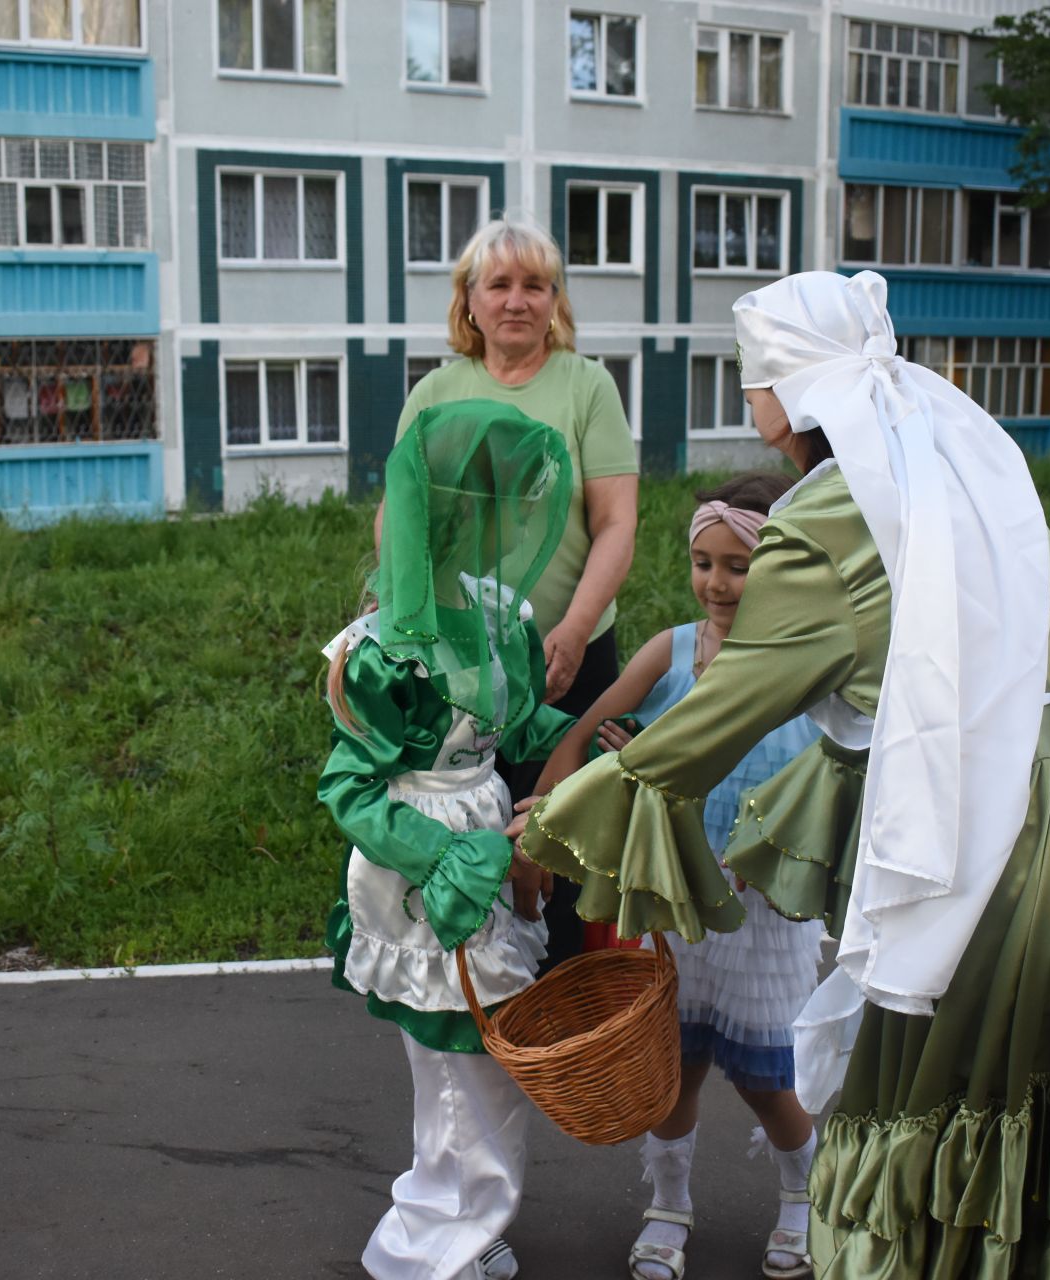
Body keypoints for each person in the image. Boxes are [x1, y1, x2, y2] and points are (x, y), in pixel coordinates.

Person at [518, 271, 1050, 1277]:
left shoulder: (821, 522)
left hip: (996, 856)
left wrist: (549, 825)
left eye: (746, 379)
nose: (746, 405)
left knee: (943, 1150)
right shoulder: (967, 467)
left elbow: (699, 735)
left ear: (781, 389)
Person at [522, 471, 826, 1280]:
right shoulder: (673, 650)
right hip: (676, 902)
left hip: (765, 913)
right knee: (673, 1069)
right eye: (703, 562)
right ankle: (668, 1205)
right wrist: (549, 816)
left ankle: (804, 1194)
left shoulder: (807, 662)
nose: (717, 583)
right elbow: (586, 733)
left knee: (767, 1077)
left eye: (738, 564)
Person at [321, 400, 577, 1280]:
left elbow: (509, 723)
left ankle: (452, 1221)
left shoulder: (498, 612)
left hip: (487, 847)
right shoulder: (378, 649)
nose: (479, 520)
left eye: (489, 504)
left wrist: (581, 735)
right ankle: (437, 1236)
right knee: (458, 1053)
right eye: (461, 503)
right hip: (422, 863)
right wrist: (439, 857)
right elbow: (348, 786)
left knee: (482, 1053)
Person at [393, 216, 639, 970]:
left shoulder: (587, 385)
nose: (516, 300)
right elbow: (400, 520)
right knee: (472, 837)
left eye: (535, 284)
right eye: (498, 284)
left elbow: (616, 523)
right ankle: (485, 1011)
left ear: (555, 300)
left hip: (573, 657)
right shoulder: (436, 391)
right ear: (469, 301)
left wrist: (575, 627)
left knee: (565, 841)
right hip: (460, 667)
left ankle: (572, 1021)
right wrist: (400, 617)